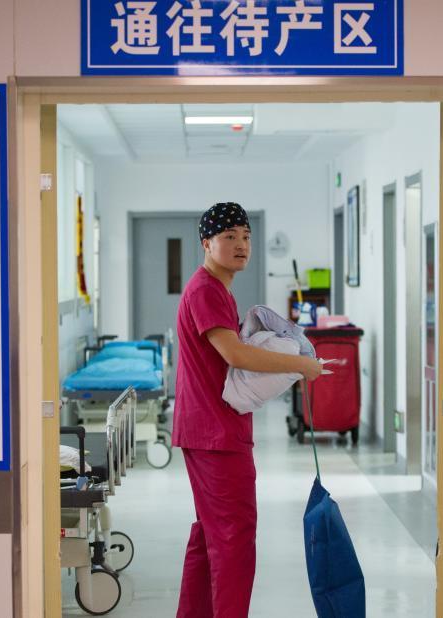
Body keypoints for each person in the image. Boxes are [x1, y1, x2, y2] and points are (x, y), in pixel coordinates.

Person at [174, 202, 323, 618]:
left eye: (245, 236)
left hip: (210, 428)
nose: (241, 244)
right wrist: (300, 364)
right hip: (215, 433)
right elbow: (236, 355)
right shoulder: (206, 290)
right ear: (206, 243)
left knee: (210, 534)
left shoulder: (216, 289)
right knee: (233, 540)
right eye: (229, 237)